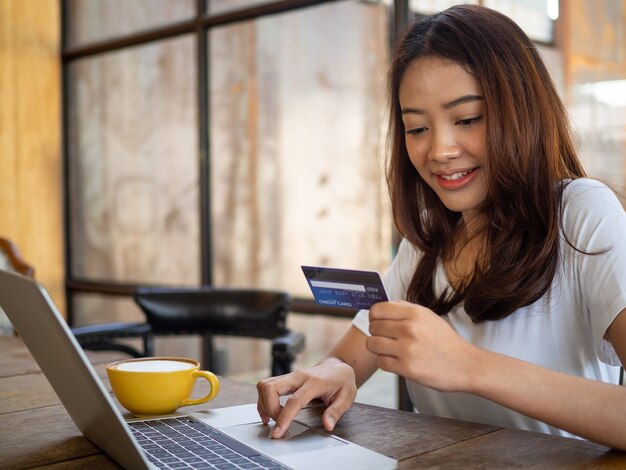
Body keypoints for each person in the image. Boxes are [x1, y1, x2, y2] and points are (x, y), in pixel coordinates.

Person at [256, 4, 626, 450]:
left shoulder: (581, 213)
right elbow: (349, 360)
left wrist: (470, 366)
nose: (439, 150)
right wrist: (334, 373)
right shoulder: (427, 243)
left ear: (523, 112)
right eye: (417, 128)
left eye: (467, 119)